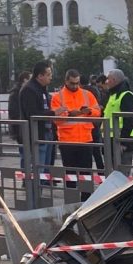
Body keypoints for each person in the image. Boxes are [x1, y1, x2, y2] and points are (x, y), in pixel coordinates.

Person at [51, 69, 101, 200]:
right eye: (72, 83)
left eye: (77, 83)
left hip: (86, 139)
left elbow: (98, 111)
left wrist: (89, 111)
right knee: (70, 174)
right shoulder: (58, 97)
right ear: (66, 81)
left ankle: (86, 201)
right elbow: (55, 119)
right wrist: (68, 114)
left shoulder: (87, 94)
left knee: (86, 173)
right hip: (67, 141)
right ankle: (71, 201)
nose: (75, 86)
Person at [19, 61, 65, 177]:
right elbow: (33, 114)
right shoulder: (29, 90)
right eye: (48, 74)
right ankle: (35, 193)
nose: (51, 77)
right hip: (37, 134)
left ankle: (41, 189)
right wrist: (53, 112)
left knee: (45, 168)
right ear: (40, 76)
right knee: (38, 169)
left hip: (47, 132)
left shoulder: (42, 88)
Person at [103, 69, 133, 176]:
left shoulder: (126, 95)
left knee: (122, 176)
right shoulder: (112, 95)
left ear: (114, 80)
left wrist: (123, 141)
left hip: (122, 141)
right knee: (114, 175)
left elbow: (129, 119)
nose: (106, 81)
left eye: (108, 79)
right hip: (111, 139)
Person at [82, 74, 105, 170]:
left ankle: (88, 173)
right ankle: (101, 173)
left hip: (86, 125)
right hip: (96, 123)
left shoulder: (82, 92)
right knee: (97, 152)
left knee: (87, 153)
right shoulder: (95, 90)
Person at [8, 71, 31, 147]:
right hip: (20, 129)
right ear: (25, 80)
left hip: (26, 127)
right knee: (24, 152)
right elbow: (13, 113)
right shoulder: (15, 94)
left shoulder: (26, 92)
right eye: (30, 79)